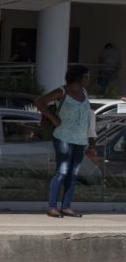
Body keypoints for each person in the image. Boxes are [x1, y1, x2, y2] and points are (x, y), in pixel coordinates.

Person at [37, 65, 99, 218]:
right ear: (78, 77)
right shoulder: (62, 91)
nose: (89, 79)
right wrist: (54, 119)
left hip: (80, 139)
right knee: (62, 171)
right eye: (86, 76)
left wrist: (91, 138)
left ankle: (66, 206)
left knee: (74, 173)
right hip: (63, 137)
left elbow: (88, 116)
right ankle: (52, 206)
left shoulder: (84, 92)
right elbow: (39, 102)